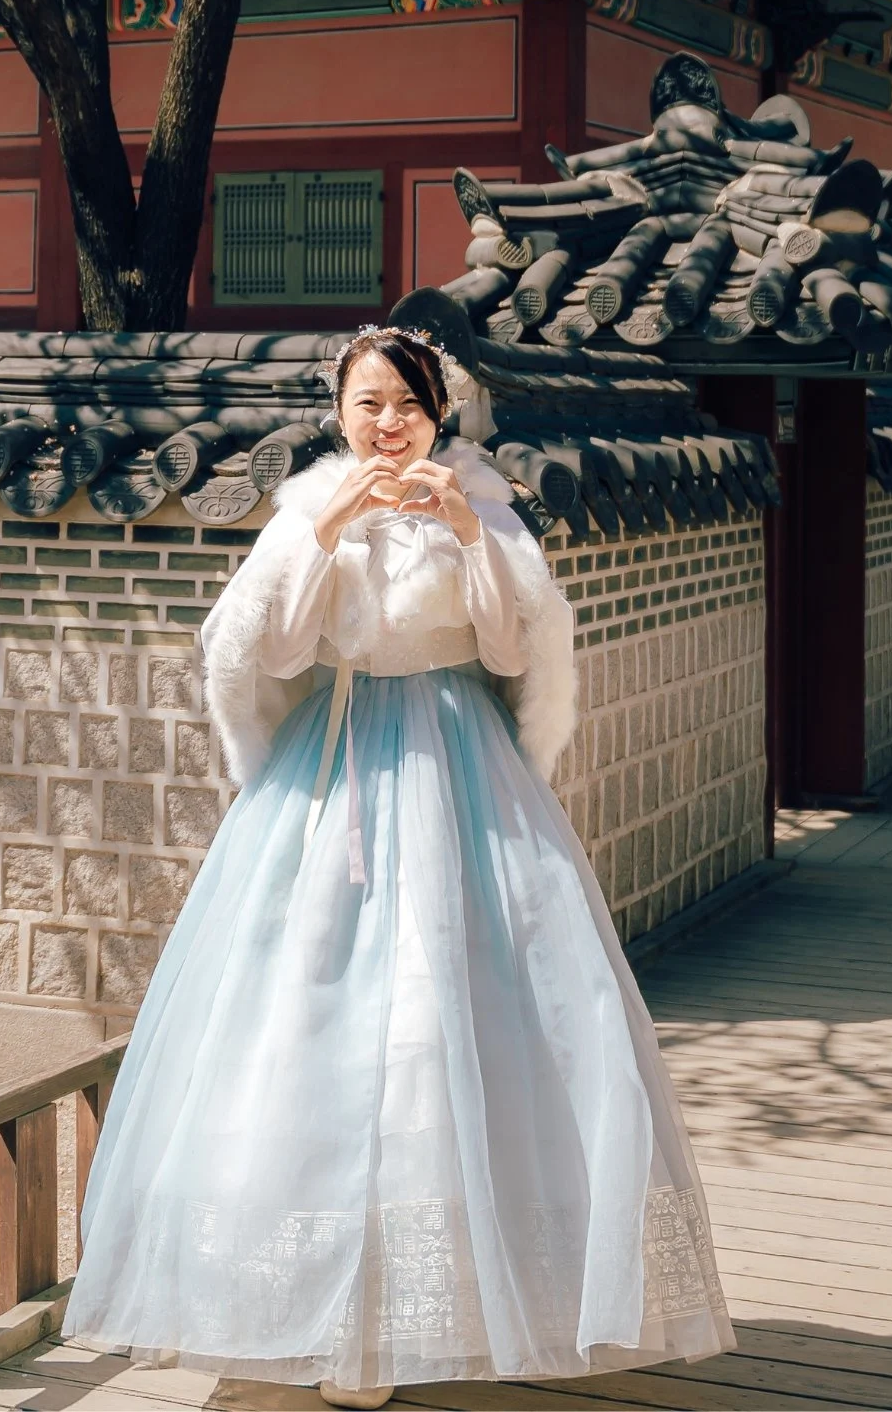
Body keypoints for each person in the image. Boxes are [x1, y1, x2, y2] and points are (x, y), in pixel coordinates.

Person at [64, 325, 733, 1402]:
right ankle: (324, 1313)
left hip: (459, 765)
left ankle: (452, 1304)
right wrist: (328, 529)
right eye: (369, 404)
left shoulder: (488, 505)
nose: (389, 424)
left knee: (456, 1018)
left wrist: (469, 532)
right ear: (339, 412)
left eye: (410, 405)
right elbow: (274, 649)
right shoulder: (306, 509)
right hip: (335, 772)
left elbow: (513, 649)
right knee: (308, 1020)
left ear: (442, 412)